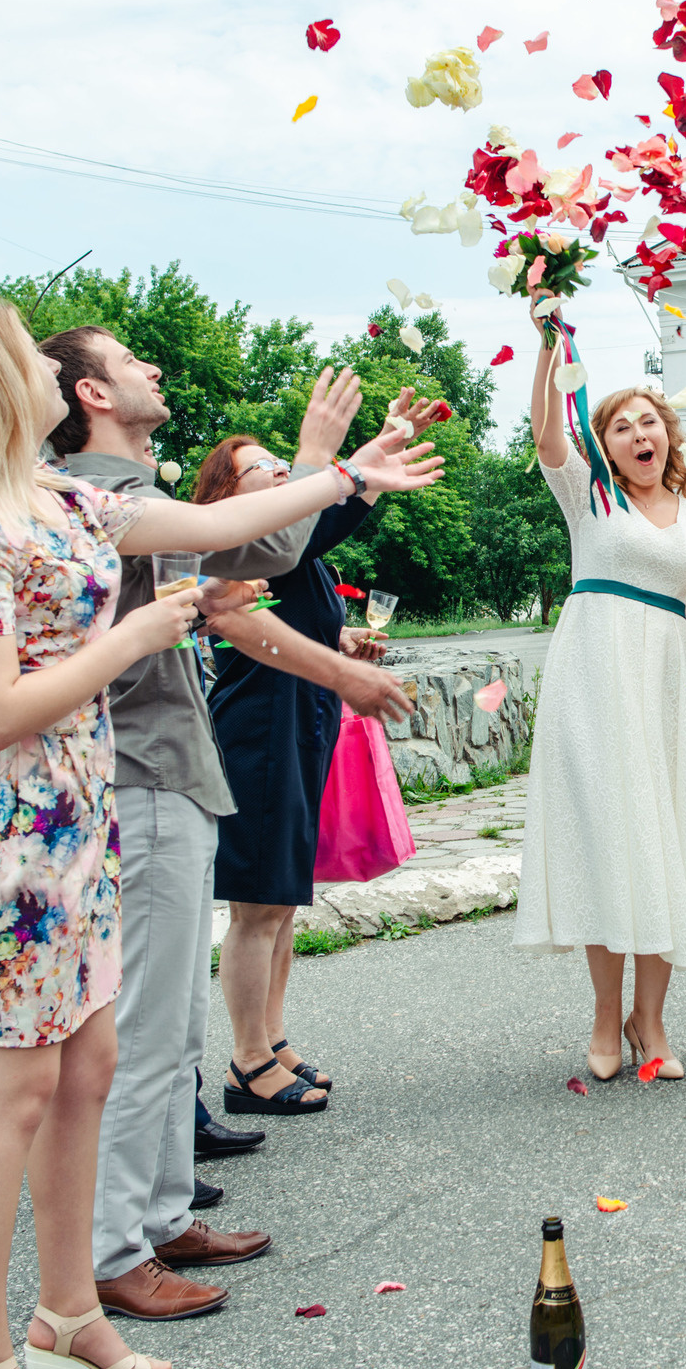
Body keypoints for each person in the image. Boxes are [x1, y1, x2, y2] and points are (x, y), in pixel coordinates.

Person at [0, 300, 436, 1369]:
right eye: (30, 353)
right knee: (12, 1095)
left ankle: (69, 1312)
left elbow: (231, 517)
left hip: (85, 809)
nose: (49, 363)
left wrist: (343, 477)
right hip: (19, 826)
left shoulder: (72, 499)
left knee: (91, 1062)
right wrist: (132, 641)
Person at [48, 324, 438, 1326]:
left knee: (172, 1016)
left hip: (169, 769)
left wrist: (334, 473)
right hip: (135, 769)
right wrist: (330, 463)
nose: (156, 366)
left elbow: (258, 551)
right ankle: (113, 1248)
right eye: (133, 359)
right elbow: (254, 547)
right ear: (91, 391)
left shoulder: (130, 492)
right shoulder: (99, 494)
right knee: (141, 1027)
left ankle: (164, 1211)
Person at [512, 336, 686, 1077]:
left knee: (665, 841)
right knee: (607, 839)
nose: (639, 433)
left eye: (649, 421)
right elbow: (545, 429)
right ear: (607, 447)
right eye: (621, 426)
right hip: (593, 680)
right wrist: (550, 341)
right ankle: (602, 1016)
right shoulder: (589, 495)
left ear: (667, 435)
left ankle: (650, 1021)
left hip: (670, 688)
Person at [194, 422, 424, 1116]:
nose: (275, 471)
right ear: (227, 493)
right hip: (259, 729)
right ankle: (247, 1059)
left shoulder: (288, 546)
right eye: (259, 466)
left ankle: (272, 1037)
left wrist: (343, 635)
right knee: (257, 906)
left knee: (282, 902)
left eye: (275, 461)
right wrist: (354, 473)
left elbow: (299, 596)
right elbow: (312, 533)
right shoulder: (247, 540)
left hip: (301, 721)